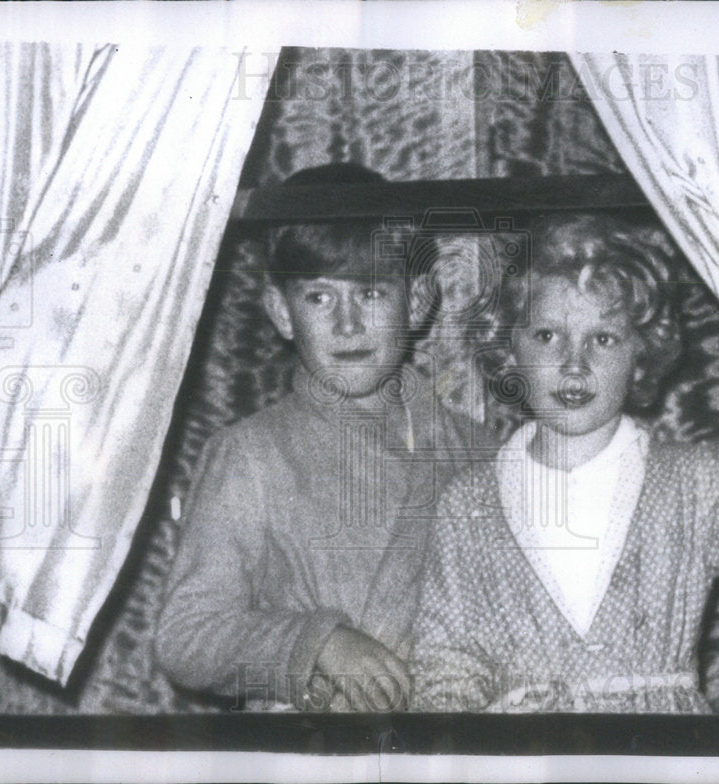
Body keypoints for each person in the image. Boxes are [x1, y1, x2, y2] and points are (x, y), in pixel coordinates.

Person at [409, 212, 719, 713]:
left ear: (642, 351)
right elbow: (448, 662)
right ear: (509, 346)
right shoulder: (468, 505)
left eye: (603, 339)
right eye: (548, 336)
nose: (575, 364)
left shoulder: (696, 482)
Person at [155, 163, 490, 712]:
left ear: (420, 300)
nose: (348, 324)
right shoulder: (250, 454)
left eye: (373, 294)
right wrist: (316, 645)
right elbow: (186, 637)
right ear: (281, 312)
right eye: (319, 298)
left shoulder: (481, 451)